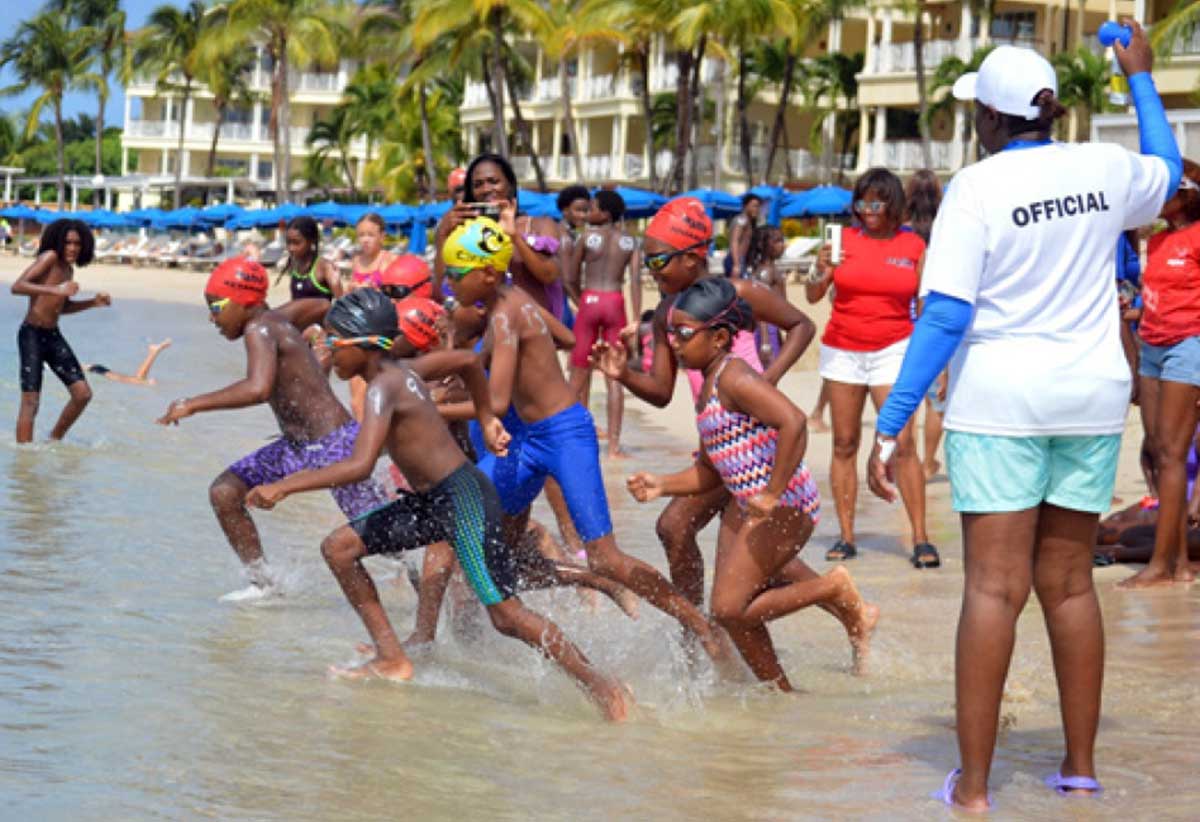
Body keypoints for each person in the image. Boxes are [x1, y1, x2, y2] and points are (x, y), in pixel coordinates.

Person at [865, 31, 1182, 810]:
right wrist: (1140, 80)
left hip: (1003, 400)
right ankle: (1079, 769)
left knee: (994, 591)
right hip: (1092, 397)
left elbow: (944, 316)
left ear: (989, 116)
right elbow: (1168, 173)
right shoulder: (1103, 168)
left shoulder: (976, 187)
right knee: (1070, 587)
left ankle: (973, 789)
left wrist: (891, 422)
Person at [243, 289, 631, 721]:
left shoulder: (381, 390)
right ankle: (392, 657)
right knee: (340, 547)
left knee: (506, 615)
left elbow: (359, 465)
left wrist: (285, 486)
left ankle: (601, 685)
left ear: (364, 344)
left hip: (462, 499)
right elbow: (467, 362)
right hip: (435, 500)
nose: (326, 354)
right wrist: (485, 414)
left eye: (332, 342)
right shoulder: (402, 369)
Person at [439, 215, 730, 664]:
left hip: (563, 435)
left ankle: (699, 625)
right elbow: (566, 335)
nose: (449, 284)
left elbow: (494, 402)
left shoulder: (504, 316)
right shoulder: (516, 302)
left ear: (487, 274)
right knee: (496, 548)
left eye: (455, 274)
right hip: (526, 440)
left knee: (606, 555)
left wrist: (431, 406)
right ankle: (569, 597)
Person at [627, 278, 877, 687]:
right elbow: (711, 472)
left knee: (727, 608)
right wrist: (662, 485)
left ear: (720, 338)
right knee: (735, 609)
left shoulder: (735, 378)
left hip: (786, 506)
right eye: (672, 332)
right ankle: (780, 692)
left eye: (685, 334)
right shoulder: (709, 385)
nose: (673, 342)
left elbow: (794, 421)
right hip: (749, 504)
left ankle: (832, 588)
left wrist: (774, 492)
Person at [593, 197, 822, 621]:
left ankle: (700, 631)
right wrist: (623, 374)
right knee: (733, 557)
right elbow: (662, 391)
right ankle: (706, 628)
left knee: (684, 531)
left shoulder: (740, 293)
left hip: (753, 446)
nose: (651, 270)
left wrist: (766, 382)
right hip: (716, 444)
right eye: (648, 261)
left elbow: (802, 325)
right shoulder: (665, 314)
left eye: (659, 260)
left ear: (694, 258)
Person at [155, 257, 389, 602]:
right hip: (297, 446)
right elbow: (323, 304)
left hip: (334, 443)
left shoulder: (259, 328)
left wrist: (193, 404)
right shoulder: (276, 318)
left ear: (244, 300)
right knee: (225, 492)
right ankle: (263, 582)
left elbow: (258, 388)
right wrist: (327, 334)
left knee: (385, 534)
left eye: (216, 307)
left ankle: (425, 585)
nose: (212, 318)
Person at [808, 168, 938, 568]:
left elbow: (927, 305)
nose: (867, 211)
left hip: (894, 350)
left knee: (903, 444)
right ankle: (846, 536)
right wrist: (820, 268)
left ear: (893, 203)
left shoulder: (913, 245)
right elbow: (814, 295)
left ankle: (920, 537)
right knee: (844, 443)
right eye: (861, 203)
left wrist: (936, 362)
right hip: (843, 351)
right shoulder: (840, 240)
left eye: (876, 203)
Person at [1120, 158, 1200, 587]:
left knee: (1172, 452)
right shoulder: (1159, 240)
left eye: (1164, 188)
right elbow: (1157, 296)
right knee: (1156, 451)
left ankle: (1158, 566)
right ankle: (1180, 563)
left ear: (1186, 192)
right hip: (1152, 343)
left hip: (1189, 346)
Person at [12, 218, 110, 443]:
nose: (73, 248)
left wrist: (93, 303)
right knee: (31, 401)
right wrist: (56, 289)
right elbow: (17, 286)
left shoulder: (68, 270)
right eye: (68, 243)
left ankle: (54, 439)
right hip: (32, 335)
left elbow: (61, 307)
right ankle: (25, 458)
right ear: (58, 242)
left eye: (77, 243)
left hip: (52, 336)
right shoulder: (49, 258)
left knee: (83, 394)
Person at [435, 154, 564, 319]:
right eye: (478, 184)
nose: (486, 189)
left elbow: (549, 275)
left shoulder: (539, 225)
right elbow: (443, 292)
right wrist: (442, 235)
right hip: (486, 333)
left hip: (532, 330)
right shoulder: (465, 234)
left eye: (494, 181)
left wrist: (514, 236)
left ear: (510, 185)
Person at [567, 190, 640, 457]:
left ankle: (572, 440)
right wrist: (636, 318)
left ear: (606, 213)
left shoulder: (586, 237)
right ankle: (613, 446)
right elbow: (634, 280)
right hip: (616, 302)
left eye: (593, 208)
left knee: (578, 373)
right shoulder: (630, 242)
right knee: (614, 376)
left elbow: (570, 277)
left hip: (590, 300)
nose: (589, 213)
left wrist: (581, 300)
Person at [906, 170, 948, 480]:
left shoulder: (903, 231)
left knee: (908, 396)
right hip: (932, 319)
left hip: (901, 322)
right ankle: (927, 461)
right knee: (936, 400)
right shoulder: (945, 229)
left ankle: (905, 458)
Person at [277, 216, 343, 330]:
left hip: (319, 332)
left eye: (296, 243)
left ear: (311, 240)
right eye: (288, 243)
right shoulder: (295, 265)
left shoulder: (325, 267)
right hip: (298, 331)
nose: (291, 248)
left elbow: (343, 304)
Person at [744, 225, 788, 366]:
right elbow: (761, 310)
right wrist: (765, 342)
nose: (782, 245)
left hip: (772, 330)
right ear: (763, 245)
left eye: (782, 240)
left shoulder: (772, 270)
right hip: (766, 331)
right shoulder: (766, 273)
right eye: (777, 241)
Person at [85, 339, 172, 386]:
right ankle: (153, 352)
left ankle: (153, 352)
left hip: (93, 369)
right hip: (94, 369)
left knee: (137, 380)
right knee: (137, 379)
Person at [724, 193, 761, 278]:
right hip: (735, 259)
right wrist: (736, 265)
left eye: (758, 207)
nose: (757, 209)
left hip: (741, 260)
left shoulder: (749, 222)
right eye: (754, 206)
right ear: (745, 206)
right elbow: (734, 241)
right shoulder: (741, 220)